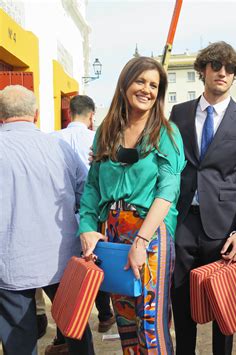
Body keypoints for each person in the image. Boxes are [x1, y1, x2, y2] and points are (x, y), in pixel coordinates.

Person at [78, 57, 185, 354]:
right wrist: (86, 228)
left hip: (149, 233)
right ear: (125, 84)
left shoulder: (166, 133)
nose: (147, 90)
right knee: (124, 323)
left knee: (150, 324)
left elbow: (168, 191)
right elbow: (92, 187)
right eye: (141, 81)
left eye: (154, 85)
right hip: (111, 234)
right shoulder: (106, 132)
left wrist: (141, 240)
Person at [170, 41, 236, 355]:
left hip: (224, 227)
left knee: (224, 309)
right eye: (215, 66)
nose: (222, 73)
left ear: (235, 75)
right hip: (181, 222)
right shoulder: (178, 113)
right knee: (181, 305)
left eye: (229, 69)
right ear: (203, 71)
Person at [0, 85, 93, 354]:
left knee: (19, 339)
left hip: (10, 260)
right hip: (60, 254)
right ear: (37, 114)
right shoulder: (60, 147)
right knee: (75, 329)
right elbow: (84, 192)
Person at [45, 95, 115, 354]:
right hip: (93, 213)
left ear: (69, 113)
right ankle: (104, 314)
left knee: (69, 278)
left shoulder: (53, 140)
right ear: (91, 114)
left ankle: (66, 335)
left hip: (60, 219)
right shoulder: (99, 138)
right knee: (97, 264)